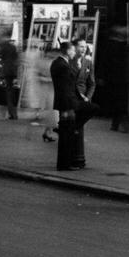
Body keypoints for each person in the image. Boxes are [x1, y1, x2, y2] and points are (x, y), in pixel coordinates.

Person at [51, 39, 83, 168]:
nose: (74, 53)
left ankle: (65, 162)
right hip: (66, 103)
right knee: (67, 133)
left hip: (63, 101)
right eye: (73, 50)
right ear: (68, 50)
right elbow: (68, 84)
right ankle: (65, 163)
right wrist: (78, 67)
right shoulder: (63, 65)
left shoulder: (57, 63)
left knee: (67, 132)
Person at [0, 33, 20, 120]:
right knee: (12, 92)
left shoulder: (3, 46)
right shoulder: (13, 47)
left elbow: (1, 57)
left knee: (8, 92)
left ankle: (12, 113)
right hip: (13, 70)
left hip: (7, 71)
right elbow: (15, 58)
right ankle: (13, 113)